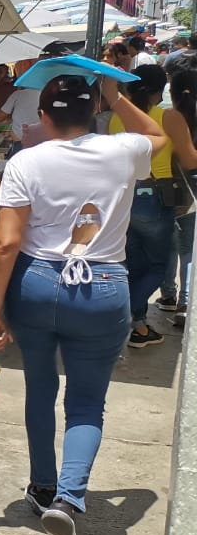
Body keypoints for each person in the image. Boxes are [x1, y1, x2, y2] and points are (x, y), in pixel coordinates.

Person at [0, 73, 166, 535]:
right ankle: (69, 496)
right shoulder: (123, 150)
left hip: (37, 284)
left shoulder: (25, 162)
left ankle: (42, 487)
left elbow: (5, 244)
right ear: (95, 115)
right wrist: (114, 93)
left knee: (40, 390)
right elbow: (159, 135)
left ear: (42, 117)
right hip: (103, 286)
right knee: (87, 403)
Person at [110, 65, 176, 348]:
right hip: (154, 195)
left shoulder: (115, 118)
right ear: (159, 90)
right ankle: (129, 311)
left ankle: (139, 325)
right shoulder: (166, 117)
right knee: (159, 265)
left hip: (124, 195)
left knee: (134, 263)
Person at [160, 70, 197, 325]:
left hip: (168, 189)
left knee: (169, 247)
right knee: (188, 250)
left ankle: (169, 295)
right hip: (193, 192)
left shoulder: (168, 119)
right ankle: (186, 301)